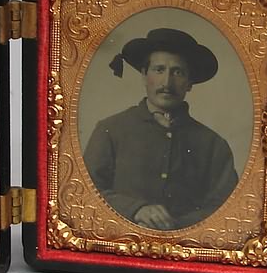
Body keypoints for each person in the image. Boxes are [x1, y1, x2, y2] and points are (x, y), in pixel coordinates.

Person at [83, 28, 238, 230]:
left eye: (178, 72)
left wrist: (174, 227)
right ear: (144, 75)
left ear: (189, 83)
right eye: (159, 70)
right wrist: (135, 209)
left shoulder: (214, 145)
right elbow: (84, 192)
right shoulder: (110, 130)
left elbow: (225, 209)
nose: (167, 82)